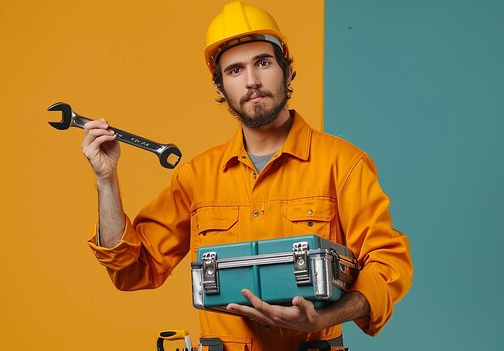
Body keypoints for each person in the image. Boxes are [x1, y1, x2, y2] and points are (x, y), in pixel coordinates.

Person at [82, 1, 413, 350]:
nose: (252, 81)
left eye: (263, 63)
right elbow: (132, 269)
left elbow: (388, 265)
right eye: (235, 70)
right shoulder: (196, 177)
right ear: (221, 86)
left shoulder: (344, 164)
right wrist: (106, 180)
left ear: (286, 70)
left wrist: (324, 317)